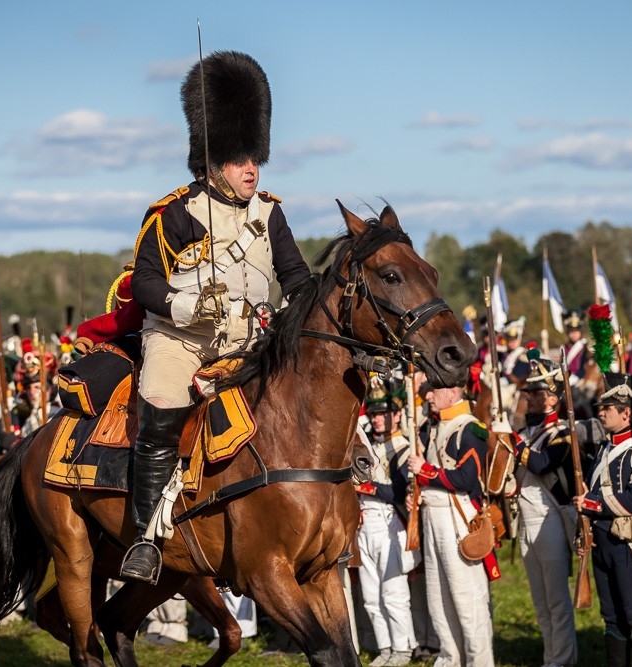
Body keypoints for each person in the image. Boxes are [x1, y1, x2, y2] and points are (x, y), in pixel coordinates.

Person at [119, 51, 310, 583]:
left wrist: (303, 309)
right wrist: (184, 305)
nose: (252, 168)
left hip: (247, 344)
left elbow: (295, 275)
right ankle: (145, 537)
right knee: (161, 405)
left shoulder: (270, 212)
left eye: (256, 158)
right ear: (211, 161)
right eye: (240, 158)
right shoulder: (173, 212)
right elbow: (144, 281)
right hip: (180, 342)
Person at [408, 384, 494, 667]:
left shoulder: (471, 428)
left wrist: (425, 472)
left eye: (434, 390)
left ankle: (478, 662)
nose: (428, 396)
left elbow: (465, 478)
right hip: (433, 517)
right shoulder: (435, 426)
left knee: (467, 599)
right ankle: (449, 657)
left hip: (456, 518)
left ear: (454, 393)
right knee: (438, 597)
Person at [574, 372, 632, 666]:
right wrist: (580, 534)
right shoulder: (604, 448)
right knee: (611, 616)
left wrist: (593, 504)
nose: (602, 412)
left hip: (627, 543)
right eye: (602, 407)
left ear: (627, 413)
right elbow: (589, 495)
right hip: (601, 541)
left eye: (609, 408)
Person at [512, 350, 577, 667]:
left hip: (550, 517)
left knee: (556, 598)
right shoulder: (526, 433)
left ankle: (562, 658)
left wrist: (512, 442)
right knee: (539, 599)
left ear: (553, 398)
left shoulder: (563, 431)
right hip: (525, 518)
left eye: (538, 393)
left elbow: (541, 463)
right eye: (530, 393)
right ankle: (551, 656)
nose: (531, 399)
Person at [355, 385, 417, 667]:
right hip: (365, 523)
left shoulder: (405, 448)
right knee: (370, 595)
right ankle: (386, 646)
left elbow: (398, 493)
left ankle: (403, 648)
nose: (378, 418)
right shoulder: (372, 446)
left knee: (393, 592)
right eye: (376, 413)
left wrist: (369, 488)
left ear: (397, 414)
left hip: (389, 522)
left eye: (384, 413)